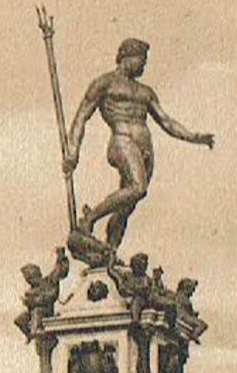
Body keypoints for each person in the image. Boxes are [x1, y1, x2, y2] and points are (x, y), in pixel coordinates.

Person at [63, 39, 215, 251]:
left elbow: (166, 121)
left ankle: (111, 252)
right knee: (138, 188)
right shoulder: (104, 83)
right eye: (141, 60)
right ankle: (91, 217)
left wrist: (194, 137)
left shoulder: (146, 91)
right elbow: (81, 116)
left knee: (126, 206)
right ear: (126, 56)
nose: (144, 65)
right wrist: (73, 151)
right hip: (122, 140)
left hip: (145, 147)